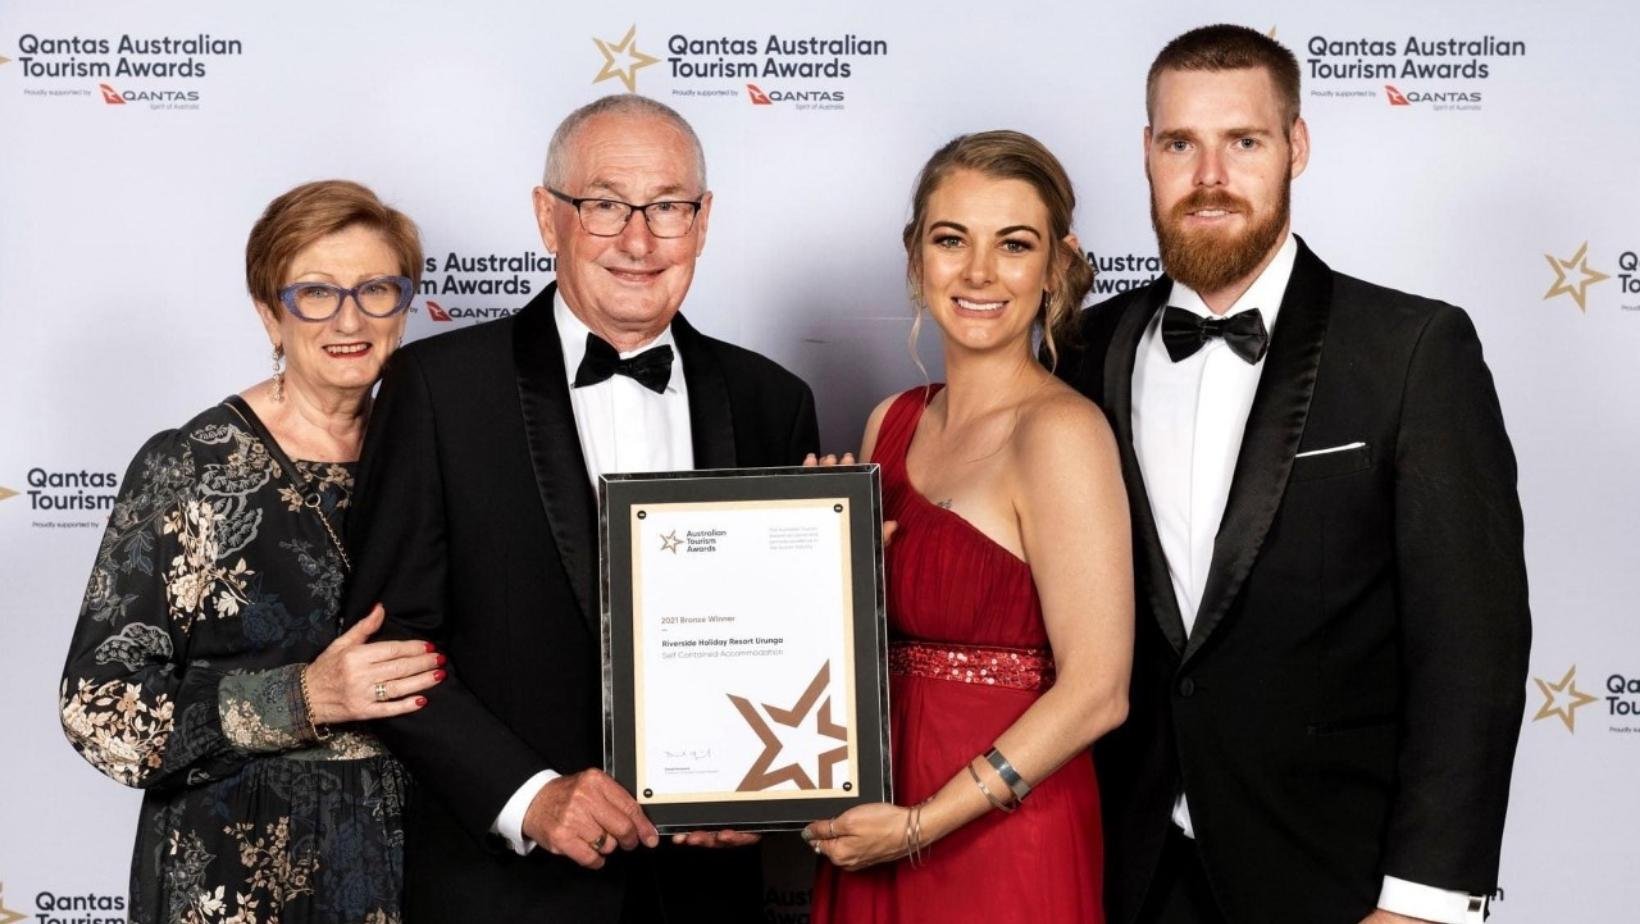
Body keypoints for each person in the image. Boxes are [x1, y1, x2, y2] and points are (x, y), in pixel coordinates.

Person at [1055, 25, 1532, 924]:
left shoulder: (1411, 352)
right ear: (1147, 154)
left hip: (1334, 882)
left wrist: (1424, 901)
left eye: (1244, 141)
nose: (1208, 177)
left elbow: (1473, 652)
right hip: (1122, 874)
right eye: (1179, 144)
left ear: (1296, 147)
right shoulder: (1082, 353)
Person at [338, 93, 821, 923]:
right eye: (604, 205)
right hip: (506, 893)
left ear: (702, 222)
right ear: (547, 217)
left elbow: (794, 650)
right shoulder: (440, 389)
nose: (639, 240)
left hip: (702, 897)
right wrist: (530, 798)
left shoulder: (772, 398)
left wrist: (768, 788)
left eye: (668, 207)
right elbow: (390, 648)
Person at [59, 180, 444, 923]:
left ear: (407, 304)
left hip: (416, 870)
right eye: (316, 294)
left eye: (376, 290)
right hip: (238, 874)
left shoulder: (436, 451)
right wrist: (298, 699)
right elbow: (98, 710)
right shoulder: (193, 467)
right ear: (270, 311)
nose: (350, 318)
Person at [805, 130, 1134, 923]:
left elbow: (1098, 692)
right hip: (874, 820)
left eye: (1013, 245)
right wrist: (810, 569)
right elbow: (848, 654)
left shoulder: (1063, 432)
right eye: (952, 240)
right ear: (917, 257)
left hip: (998, 836)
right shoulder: (893, 420)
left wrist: (921, 827)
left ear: (1056, 264)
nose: (979, 273)